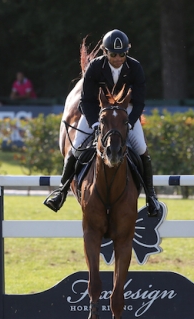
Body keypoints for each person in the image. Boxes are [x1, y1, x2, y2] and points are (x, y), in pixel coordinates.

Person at [44, 29, 161, 217]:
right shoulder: (96, 67)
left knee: (141, 149)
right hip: (97, 111)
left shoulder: (135, 68)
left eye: (122, 54)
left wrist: (129, 123)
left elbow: (138, 102)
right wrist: (94, 123)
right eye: (113, 54)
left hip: (126, 112)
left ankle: (150, 196)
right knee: (76, 147)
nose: (118, 58)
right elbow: (86, 101)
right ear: (106, 53)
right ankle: (61, 192)